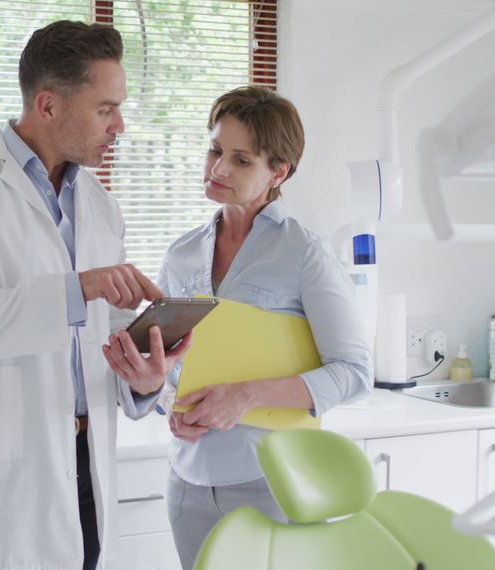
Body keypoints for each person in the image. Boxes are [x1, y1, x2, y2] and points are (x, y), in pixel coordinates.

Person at [0, 20, 189, 570]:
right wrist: (75, 289)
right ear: (49, 106)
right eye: (106, 109)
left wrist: (144, 381)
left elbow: (106, 340)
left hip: (87, 468)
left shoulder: (101, 205)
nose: (121, 125)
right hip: (5, 482)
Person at [157, 87, 373, 569]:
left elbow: (355, 372)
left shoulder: (304, 254)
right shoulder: (182, 254)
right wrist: (170, 405)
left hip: (274, 483)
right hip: (187, 482)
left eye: (240, 160)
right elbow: (169, 367)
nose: (217, 169)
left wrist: (248, 394)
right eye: (215, 151)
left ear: (279, 172)